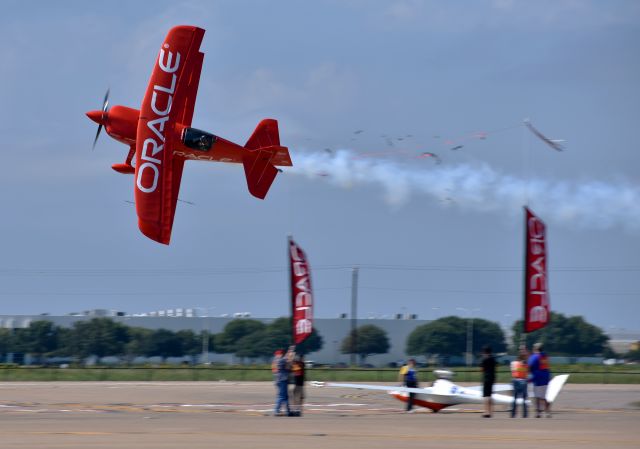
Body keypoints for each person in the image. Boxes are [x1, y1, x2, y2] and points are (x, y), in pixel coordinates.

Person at [528, 342, 551, 418]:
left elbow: (529, 366)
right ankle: (547, 412)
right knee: (544, 396)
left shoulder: (534, 356)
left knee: (537, 396)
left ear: (536, 348)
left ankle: (538, 413)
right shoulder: (545, 356)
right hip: (546, 378)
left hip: (537, 379)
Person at [272, 348, 292, 416]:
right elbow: (289, 365)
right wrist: (290, 353)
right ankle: (277, 410)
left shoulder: (275, 360)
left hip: (277, 379)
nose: (278, 355)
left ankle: (288, 411)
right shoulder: (281, 360)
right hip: (282, 379)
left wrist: (289, 353)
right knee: (282, 396)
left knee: (285, 396)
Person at [510, 348, 529, 418]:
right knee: (524, 398)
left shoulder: (514, 363)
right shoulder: (526, 363)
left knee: (515, 398)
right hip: (523, 380)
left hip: (516, 380)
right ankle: (525, 414)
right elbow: (527, 371)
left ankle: (513, 414)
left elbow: (513, 372)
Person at [480, 345, 496, 418]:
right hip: (492, 378)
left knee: (486, 396)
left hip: (486, 378)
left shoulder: (484, 359)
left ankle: (486, 412)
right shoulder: (493, 359)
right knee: (490, 396)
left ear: (484, 352)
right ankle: (491, 412)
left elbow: (481, 369)